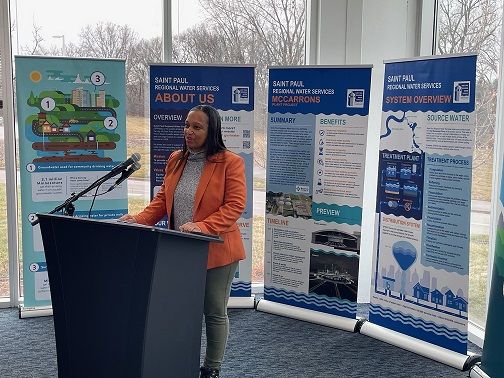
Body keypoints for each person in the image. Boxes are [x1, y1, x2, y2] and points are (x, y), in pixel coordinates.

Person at [119, 104, 246, 378]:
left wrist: (202, 226)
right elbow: (164, 201)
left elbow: (235, 206)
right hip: (180, 251)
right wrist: (139, 219)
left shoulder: (230, 162)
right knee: (180, 309)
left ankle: (211, 368)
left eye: (197, 127)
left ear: (212, 131)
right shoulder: (177, 158)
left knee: (213, 311)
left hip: (217, 250)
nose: (189, 131)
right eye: (187, 125)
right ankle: (178, 358)